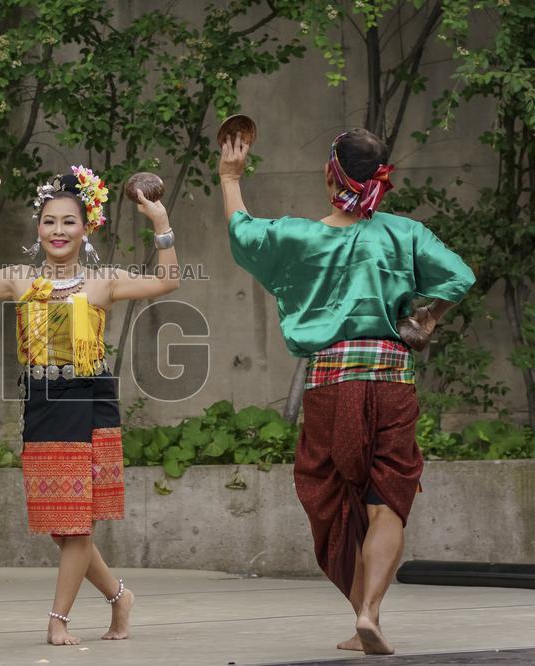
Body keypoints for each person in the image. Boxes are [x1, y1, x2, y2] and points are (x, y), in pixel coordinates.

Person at [219, 128, 475, 655]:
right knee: (388, 500)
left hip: (330, 385)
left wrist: (229, 177)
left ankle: (361, 616)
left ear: (331, 174)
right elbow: (460, 275)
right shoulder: (404, 234)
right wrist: (429, 317)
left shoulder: (301, 236)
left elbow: (244, 234)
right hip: (392, 381)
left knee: (331, 497)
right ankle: (369, 614)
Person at [0, 166, 179, 645]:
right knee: (60, 524)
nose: (58, 230)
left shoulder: (103, 282)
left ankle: (58, 619)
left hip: (89, 401)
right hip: (41, 402)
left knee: (77, 524)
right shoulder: (18, 280)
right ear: (38, 228)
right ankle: (119, 597)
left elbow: (168, 281)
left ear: (85, 228)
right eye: (49, 222)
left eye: (69, 221)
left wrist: (160, 221)